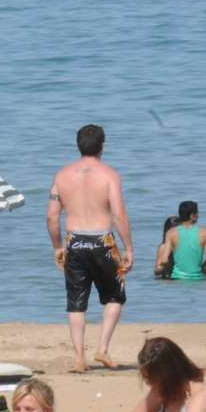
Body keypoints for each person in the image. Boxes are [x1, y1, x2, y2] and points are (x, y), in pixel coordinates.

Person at [47, 124, 134, 372]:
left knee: (76, 302)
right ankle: (102, 348)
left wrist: (56, 246)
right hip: (102, 242)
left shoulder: (62, 176)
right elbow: (118, 214)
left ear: (78, 145)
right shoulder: (109, 175)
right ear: (102, 146)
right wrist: (128, 247)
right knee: (115, 295)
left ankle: (79, 358)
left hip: (74, 241)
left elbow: (52, 217)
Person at [152, 201, 206, 282]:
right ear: (192, 216)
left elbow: (164, 260)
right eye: (197, 213)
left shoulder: (171, 233)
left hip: (177, 279)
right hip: (198, 279)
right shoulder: (205, 232)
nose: (198, 216)